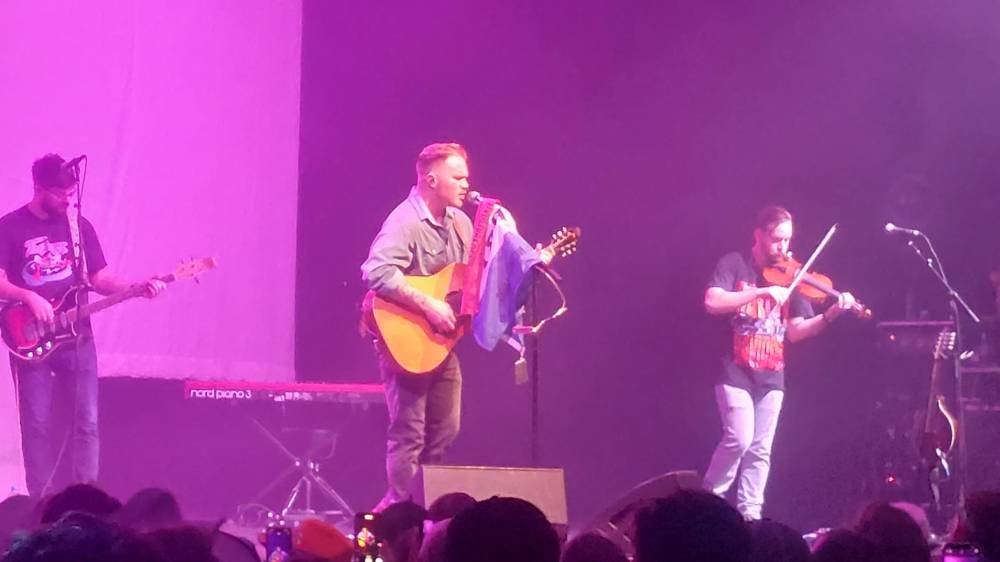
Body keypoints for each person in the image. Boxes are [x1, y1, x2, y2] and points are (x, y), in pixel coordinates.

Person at [0, 154, 165, 497]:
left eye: (71, 193)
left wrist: (135, 288)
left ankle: (85, 498)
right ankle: (42, 504)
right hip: (30, 338)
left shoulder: (79, 227)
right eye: (60, 194)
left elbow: (99, 277)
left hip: (77, 338)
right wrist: (29, 297)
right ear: (39, 188)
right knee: (36, 425)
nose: (67, 200)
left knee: (86, 421)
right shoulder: (10, 227)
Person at [702, 205, 856, 520]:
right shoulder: (735, 264)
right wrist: (761, 292)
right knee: (739, 438)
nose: (783, 248)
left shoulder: (793, 275)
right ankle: (708, 502)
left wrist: (831, 314)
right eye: (776, 240)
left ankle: (750, 515)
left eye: (787, 241)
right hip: (734, 370)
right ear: (758, 235)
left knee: (760, 450)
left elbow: (796, 332)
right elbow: (712, 301)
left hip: (772, 375)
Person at [361, 143, 473, 510]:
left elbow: (467, 283)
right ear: (431, 179)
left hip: (440, 344)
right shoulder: (405, 221)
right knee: (409, 432)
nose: (466, 184)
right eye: (458, 177)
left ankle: (427, 507)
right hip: (406, 341)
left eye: (466, 177)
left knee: (446, 430)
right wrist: (428, 304)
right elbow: (376, 271)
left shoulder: (461, 224)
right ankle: (398, 511)